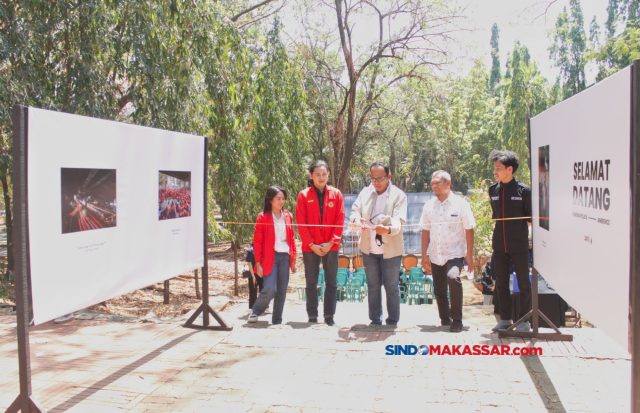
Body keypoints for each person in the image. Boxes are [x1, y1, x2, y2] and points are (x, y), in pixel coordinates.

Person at [349, 161, 407, 326]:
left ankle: (393, 321)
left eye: (380, 178)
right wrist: (356, 219)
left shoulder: (399, 195)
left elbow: (399, 219)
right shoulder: (365, 192)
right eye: (373, 178)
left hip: (391, 250)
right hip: (369, 249)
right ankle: (375, 320)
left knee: (391, 286)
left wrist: (388, 230)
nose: (376, 182)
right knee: (373, 286)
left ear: (389, 176)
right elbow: (355, 209)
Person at [420, 170, 475, 333]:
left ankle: (457, 319)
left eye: (438, 183)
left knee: (454, 278)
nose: (434, 186)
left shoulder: (461, 204)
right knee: (439, 288)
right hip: (436, 254)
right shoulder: (429, 205)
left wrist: (469, 256)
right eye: (433, 184)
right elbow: (425, 231)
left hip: (455, 253)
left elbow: (469, 229)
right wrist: (424, 255)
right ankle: (445, 319)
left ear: (448, 183)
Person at [488, 150, 533, 332]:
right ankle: (505, 319)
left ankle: (524, 320)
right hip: (499, 245)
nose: (495, 172)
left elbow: (530, 219)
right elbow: (495, 215)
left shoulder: (524, 191)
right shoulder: (493, 190)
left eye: (498, 168)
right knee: (501, 282)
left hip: (519, 246)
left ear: (510, 169)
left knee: (523, 283)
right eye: (494, 168)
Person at [296, 160, 345, 326]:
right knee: (311, 282)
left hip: (331, 246)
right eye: (317, 174)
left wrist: (331, 243)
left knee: (331, 282)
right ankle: (312, 315)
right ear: (311, 176)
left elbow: (340, 220)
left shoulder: (336, 194)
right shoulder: (303, 195)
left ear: (328, 175)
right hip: (311, 247)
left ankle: (329, 315)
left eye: (324, 174)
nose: (321, 177)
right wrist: (311, 245)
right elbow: (301, 222)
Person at [248, 186, 297, 325]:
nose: (281, 201)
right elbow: (257, 241)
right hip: (270, 257)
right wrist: (258, 262)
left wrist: (293, 258)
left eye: (283, 198)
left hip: (285, 256)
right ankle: (256, 311)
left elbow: (291, 238)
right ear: (270, 200)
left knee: (281, 290)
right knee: (270, 288)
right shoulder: (263, 216)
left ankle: (277, 320)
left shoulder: (288, 215)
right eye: (278, 198)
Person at [245, 243, 264, 310]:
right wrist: (253, 276)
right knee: (253, 290)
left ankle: (264, 306)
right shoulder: (250, 251)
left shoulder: (262, 250)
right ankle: (253, 307)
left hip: (261, 272)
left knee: (263, 289)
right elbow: (249, 264)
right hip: (253, 272)